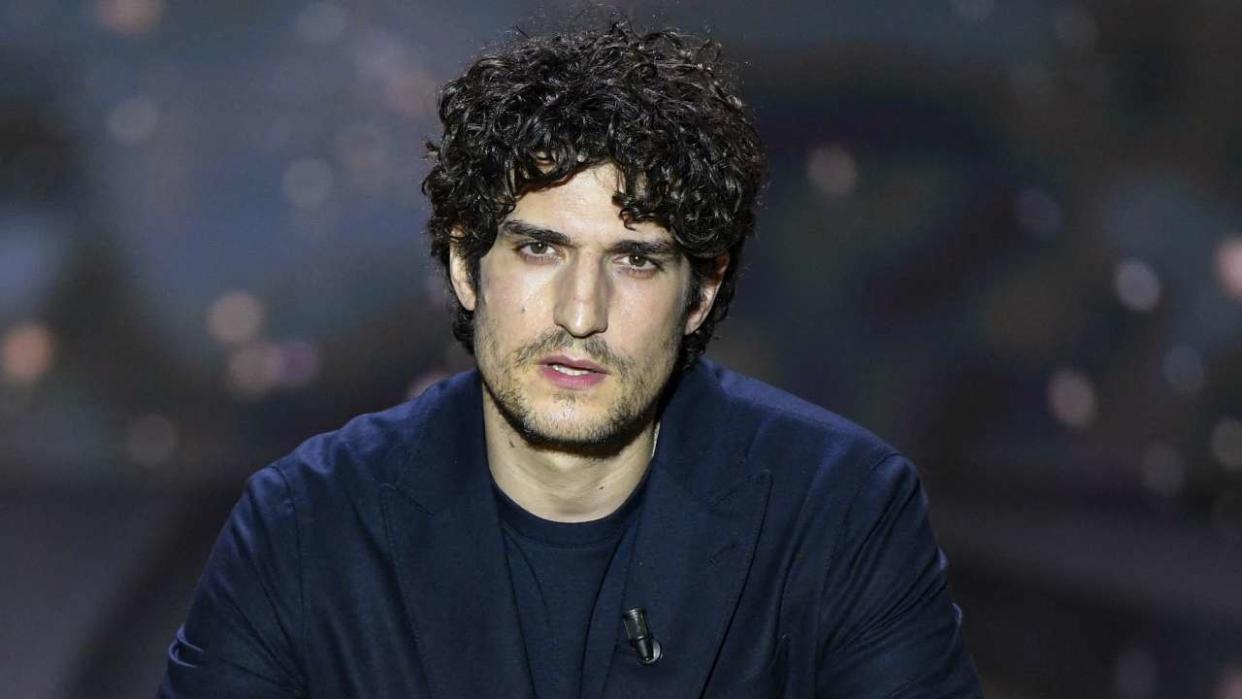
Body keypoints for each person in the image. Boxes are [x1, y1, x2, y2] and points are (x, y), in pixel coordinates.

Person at [160, 23, 982, 698]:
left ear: (700, 294)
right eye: (540, 249)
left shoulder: (841, 514)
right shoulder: (309, 526)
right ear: (464, 265)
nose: (579, 314)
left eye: (635, 260)